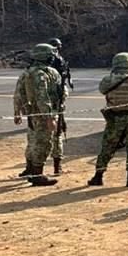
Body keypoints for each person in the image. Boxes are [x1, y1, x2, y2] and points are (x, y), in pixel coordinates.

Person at [87, 52, 128, 187]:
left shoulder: (108, 80)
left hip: (114, 117)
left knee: (108, 147)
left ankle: (98, 176)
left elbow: (102, 90)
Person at [13, 43, 64, 186]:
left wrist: (17, 111)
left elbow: (18, 93)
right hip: (43, 114)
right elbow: (43, 97)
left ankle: (30, 169)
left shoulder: (27, 72)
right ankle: (37, 174)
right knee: (43, 143)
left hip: (32, 113)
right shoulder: (44, 74)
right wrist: (49, 117)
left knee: (32, 141)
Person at [47, 37, 72, 175]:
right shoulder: (55, 61)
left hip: (53, 102)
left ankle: (34, 167)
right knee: (56, 135)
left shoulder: (51, 61)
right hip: (54, 101)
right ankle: (56, 167)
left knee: (54, 135)